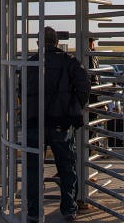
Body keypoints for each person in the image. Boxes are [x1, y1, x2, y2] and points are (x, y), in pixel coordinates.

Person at [25, 27, 90, 222]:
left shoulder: (29, 63)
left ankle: (34, 213)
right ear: (56, 42)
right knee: (66, 166)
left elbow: (21, 90)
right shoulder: (69, 62)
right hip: (61, 123)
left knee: (34, 169)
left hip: (34, 123)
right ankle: (69, 209)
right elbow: (84, 86)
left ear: (38, 43)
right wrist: (73, 107)